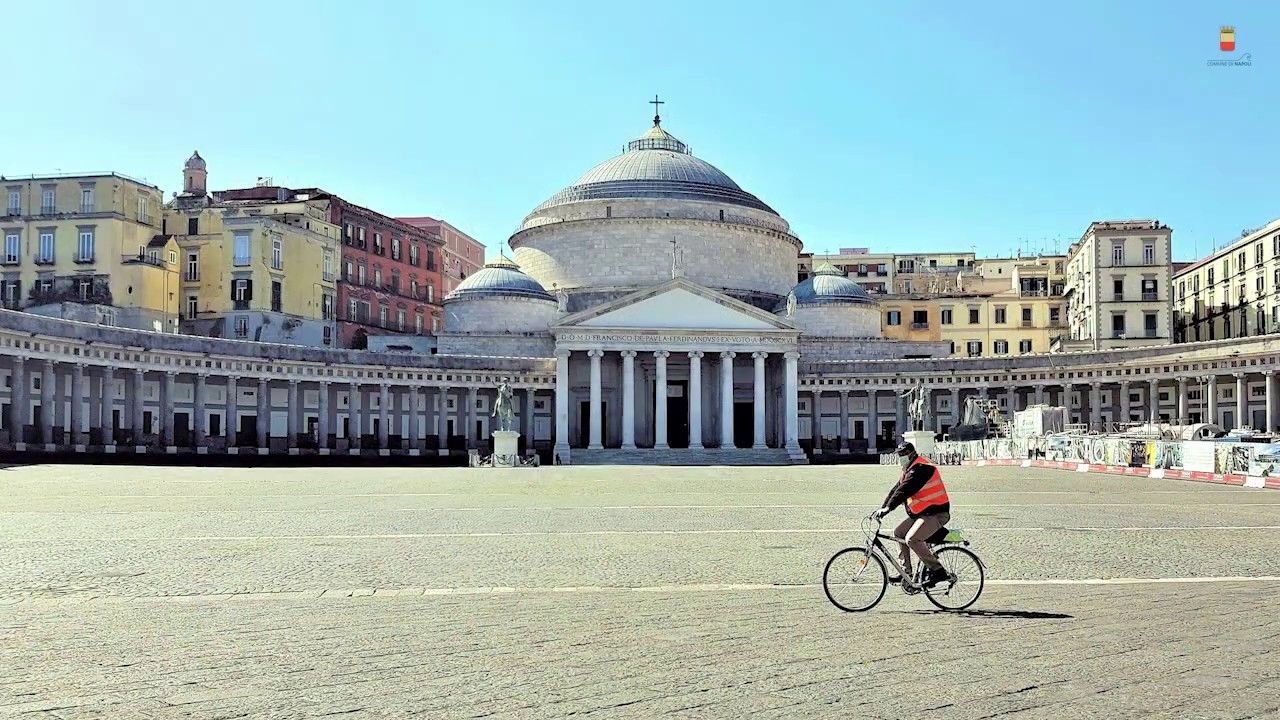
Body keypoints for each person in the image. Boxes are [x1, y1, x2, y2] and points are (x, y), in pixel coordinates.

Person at [872, 441, 951, 589]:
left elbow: (905, 490)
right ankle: (906, 573)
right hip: (922, 513)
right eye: (899, 455)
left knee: (912, 539)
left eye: (902, 454)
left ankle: (938, 571)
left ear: (911, 454)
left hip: (936, 513)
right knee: (899, 532)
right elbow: (896, 489)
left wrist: (889, 508)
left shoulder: (921, 468)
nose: (900, 457)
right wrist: (882, 508)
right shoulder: (909, 469)